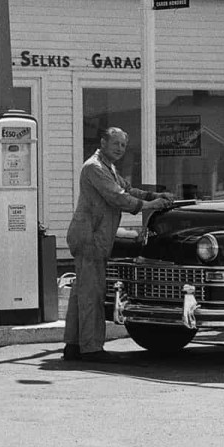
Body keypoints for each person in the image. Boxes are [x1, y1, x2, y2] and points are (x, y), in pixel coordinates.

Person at [63, 127, 164, 361]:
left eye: (123, 145)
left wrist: (154, 196)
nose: (120, 149)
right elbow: (118, 197)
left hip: (95, 236)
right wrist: (150, 206)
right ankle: (91, 349)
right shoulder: (94, 168)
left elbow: (128, 189)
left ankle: (73, 345)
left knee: (82, 293)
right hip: (90, 237)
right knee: (92, 294)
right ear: (103, 143)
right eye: (116, 143)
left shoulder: (109, 168)